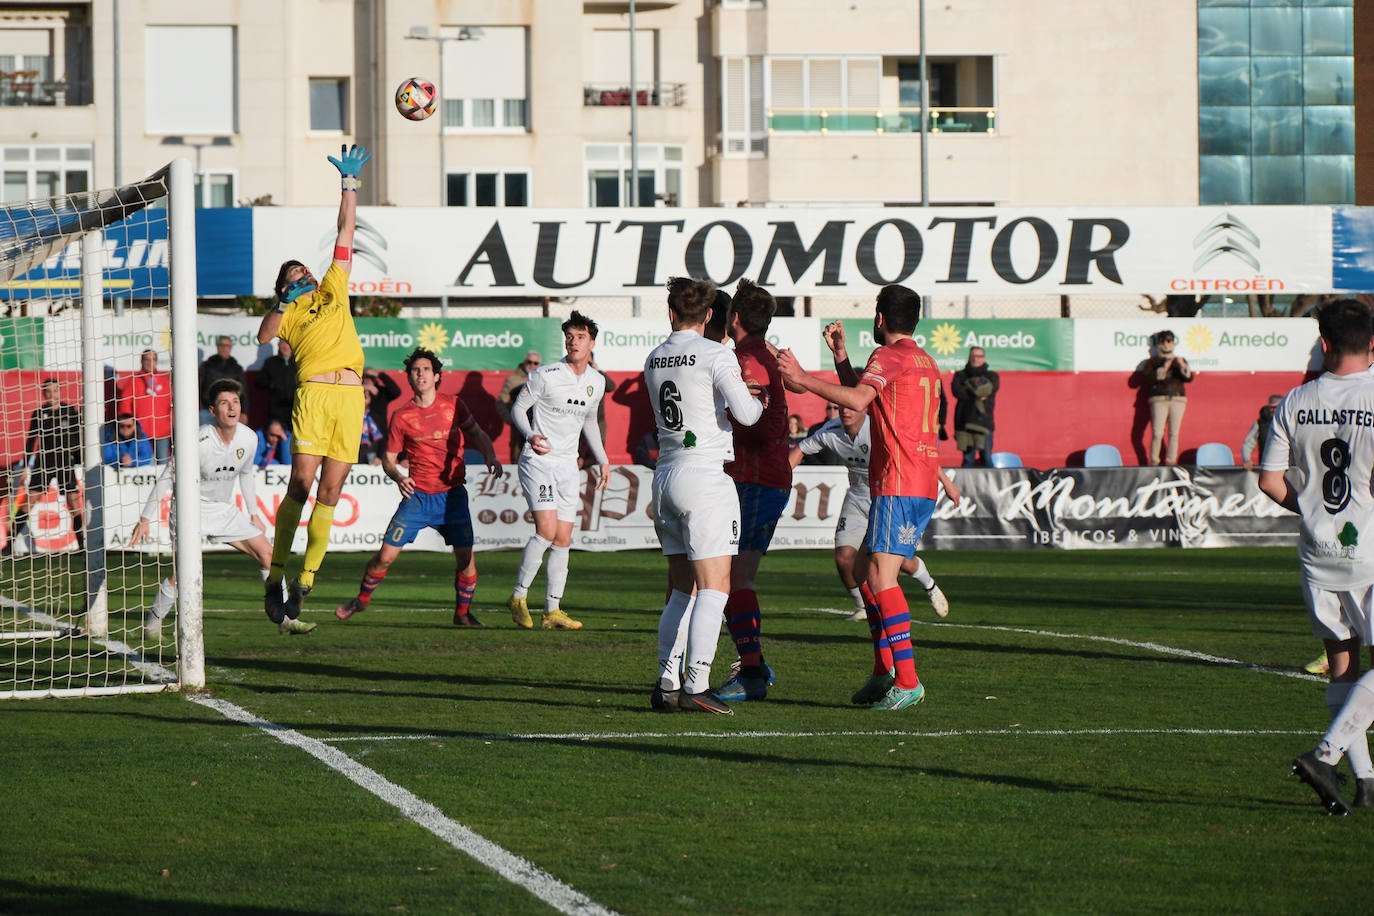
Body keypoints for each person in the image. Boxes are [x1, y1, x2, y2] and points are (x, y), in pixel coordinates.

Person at [777, 285, 941, 712]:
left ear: (881, 318)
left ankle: (907, 680)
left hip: (899, 478)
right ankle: (883, 669)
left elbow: (855, 401)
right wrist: (840, 358)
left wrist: (802, 379)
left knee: (882, 577)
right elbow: (870, 399)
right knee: (869, 572)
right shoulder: (923, 359)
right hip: (919, 477)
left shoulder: (887, 356)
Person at [1257, 299, 1374, 815]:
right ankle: (1326, 755)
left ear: (1323, 343)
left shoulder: (1295, 401)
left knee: (1341, 665)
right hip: (1370, 549)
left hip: (1318, 553)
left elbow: (1269, 482)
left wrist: (1308, 510)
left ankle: (1366, 781)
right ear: (1372, 343)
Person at [255, 142, 371, 626]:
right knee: (301, 483)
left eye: (301, 267)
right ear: (284, 285)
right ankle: (276, 575)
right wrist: (283, 300)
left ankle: (306, 580)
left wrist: (348, 185)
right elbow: (262, 336)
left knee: (331, 491)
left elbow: (346, 228)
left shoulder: (333, 286)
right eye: (291, 272)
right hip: (315, 396)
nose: (300, 271)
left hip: (350, 399)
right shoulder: (290, 311)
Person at [646, 276, 765, 715]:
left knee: (682, 590)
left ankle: (666, 683)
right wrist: (759, 396)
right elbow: (749, 415)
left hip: (666, 475)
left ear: (672, 313)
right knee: (716, 588)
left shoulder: (654, 357)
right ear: (710, 315)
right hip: (704, 477)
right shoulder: (718, 353)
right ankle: (697, 683)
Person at [335, 348, 502, 627]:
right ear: (409, 379)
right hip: (417, 498)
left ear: (437, 376)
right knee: (384, 557)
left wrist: (490, 454)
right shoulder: (402, 416)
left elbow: (477, 433)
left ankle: (462, 613)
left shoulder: (454, 405)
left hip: (452, 497)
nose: (420, 374)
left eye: (426, 369)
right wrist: (399, 477)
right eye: (415, 370)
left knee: (466, 560)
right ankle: (361, 600)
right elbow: (389, 460)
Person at [130, 380, 309, 636]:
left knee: (268, 554)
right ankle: (153, 623)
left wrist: (253, 513)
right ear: (213, 411)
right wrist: (145, 517)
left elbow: (246, 474)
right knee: (184, 573)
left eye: (235, 402)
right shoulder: (198, 440)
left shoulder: (248, 438)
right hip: (188, 510)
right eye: (224, 403)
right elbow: (167, 477)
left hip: (223, 510)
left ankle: (284, 620)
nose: (231, 407)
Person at [790, 367, 958, 623]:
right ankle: (862, 607)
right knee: (844, 558)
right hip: (857, 495)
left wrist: (947, 483)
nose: (844, 410)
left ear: (865, 407)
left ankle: (929, 585)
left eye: (848, 405)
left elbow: (919, 453)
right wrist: (778, 477)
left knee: (899, 562)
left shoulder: (880, 429)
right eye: (838, 406)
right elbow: (800, 449)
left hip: (888, 496)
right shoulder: (830, 432)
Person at [506, 312, 610, 630]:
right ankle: (518, 597)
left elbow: (589, 421)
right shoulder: (546, 375)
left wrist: (603, 459)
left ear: (591, 343)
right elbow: (518, 409)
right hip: (538, 461)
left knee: (563, 538)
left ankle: (553, 610)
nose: (573, 341)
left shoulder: (597, 381)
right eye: (569, 336)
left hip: (568, 465)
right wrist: (531, 435)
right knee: (547, 531)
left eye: (580, 336)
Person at [715, 278, 790, 703]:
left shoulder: (750, 362)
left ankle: (752, 671)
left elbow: (757, 424)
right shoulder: (756, 356)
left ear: (735, 318)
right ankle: (752, 663)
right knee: (726, 577)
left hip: (758, 479)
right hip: (758, 477)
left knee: (733, 577)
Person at [17, 378, 83, 549]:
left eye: (55, 391)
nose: (52, 395)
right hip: (44, 462)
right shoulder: (39, 413)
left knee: (74, 503)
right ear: (44, 394)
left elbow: (77, 437)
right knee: (29, 502)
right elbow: (31, 440)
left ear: (59, 392)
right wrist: (25, 466)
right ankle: (8, 545)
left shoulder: (69, 411)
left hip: (64, 462)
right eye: (48, 392)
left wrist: (78, 460)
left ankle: (82, 546)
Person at [1133, 329, 1193, 466]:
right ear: (1158, 343)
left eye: (1169, 341)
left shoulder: (1179, 360)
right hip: (1159, 400)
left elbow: (1189, 378)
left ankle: (1171, 461)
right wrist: (1164, 368)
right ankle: (1154, 461)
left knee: (1174, 433)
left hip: (1178, 399)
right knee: (1157, 432)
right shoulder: (1152, 361)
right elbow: (1147, 379)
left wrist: (1183, 365)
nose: (1166, 344)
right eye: (1163, 341)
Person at [118, 349, 172, 461]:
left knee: (163, 463)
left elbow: (170, 405)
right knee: (143, 464)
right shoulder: (134, 381)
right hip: (140, 432)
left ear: (156, 362)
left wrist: (171, 424)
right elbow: (125, 404)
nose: (149, 362)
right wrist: (129, 425)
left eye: (153, 360)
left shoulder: (165, 381)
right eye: (146, 359)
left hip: (162, 431)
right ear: (141, 361)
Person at [950, 346, 999, 467]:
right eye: (973, 356)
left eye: (979, 356)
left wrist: (967, 388)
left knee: (986, 458)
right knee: (968, 460)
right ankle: (965, 486)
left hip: (984, 423)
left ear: (984, 358)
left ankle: (990, 486)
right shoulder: (960, 375)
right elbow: (957, 392)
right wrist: (975, 392)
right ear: (969, 357)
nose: (976, 359)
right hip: (964, 422)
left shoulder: (992, 376)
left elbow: (986, 390)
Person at [497, 350, 542, 463]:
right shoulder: (512, 380)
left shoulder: (543, 378)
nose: (532, 365)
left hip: (538, 426)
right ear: (524, 362)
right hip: (519, 429)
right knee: (518, 458)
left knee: (538, 459)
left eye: (535, 363)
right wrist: (512, 420)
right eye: (529, 362)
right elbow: (501, 403)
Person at [254, 339, 297, 431]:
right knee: (276, 436)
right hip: (276, 409)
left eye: (288, 344)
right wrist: (272, 384)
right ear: (278, 345)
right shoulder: (270, 362)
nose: (285, 346)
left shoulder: (299, 362)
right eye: (282, 343)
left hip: (296, 408)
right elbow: (258, 381)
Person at [199, 335, 246, 411]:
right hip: (207, 409)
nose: (224, 348)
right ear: (217, 347)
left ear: (230, 347)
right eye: (222, 345)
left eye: (227, 345)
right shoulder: (206, 366)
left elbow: (243, 392)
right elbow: (199, 386)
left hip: (230, 410)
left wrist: (244, 411)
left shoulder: (237, 368)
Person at [1240, 393, 1283, 472]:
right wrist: (1247, 460)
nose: (1274, 410)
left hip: (1288, 468)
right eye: (1272, 407)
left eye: (1277, 407)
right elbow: (1248, 444)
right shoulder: (1260, 424)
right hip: (1266, 468)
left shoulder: (1291, 423)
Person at [362, 366, 402, 444]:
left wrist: (381, 374)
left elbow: (396, 392)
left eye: (372, 377)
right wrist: (363, 387)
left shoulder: (381, 392)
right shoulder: (355, 392)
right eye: (366, 376)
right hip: (359, 437)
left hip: (378, 439)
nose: (368, 379)